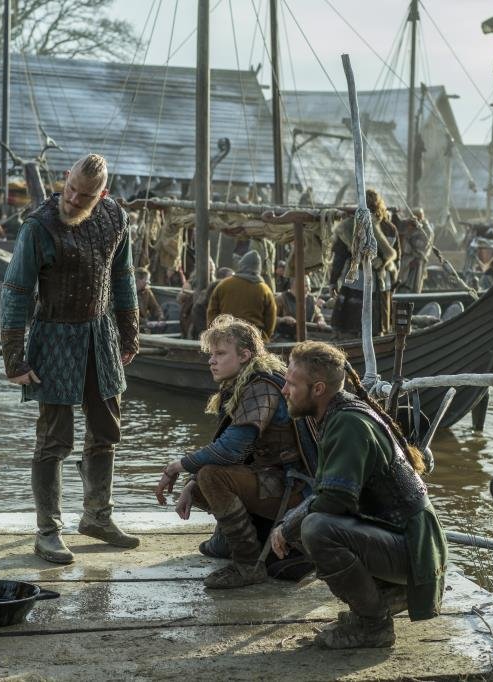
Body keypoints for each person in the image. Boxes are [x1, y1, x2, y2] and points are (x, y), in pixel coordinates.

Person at [1, 153, 140, 564]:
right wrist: (14, 359)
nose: (73, 199)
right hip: (54, 338)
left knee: (106, 429)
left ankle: (97, 516)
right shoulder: (38, 227)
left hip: (100, 335)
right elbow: (16, 291)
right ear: (66, 177)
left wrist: (130, 333)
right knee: (54, 439)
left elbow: (123, 277)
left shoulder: (115, 218)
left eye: (85, 196)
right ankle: (48, 531)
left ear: (103, 195)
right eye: (71, 189)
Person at [270, 341, 448, 649]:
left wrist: (288, 526)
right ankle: (382, 598)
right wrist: (289, 523)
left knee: (316, 528)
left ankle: (373, 625)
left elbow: (335, 500)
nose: (284, 390)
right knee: (305, 522)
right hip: (405, 540)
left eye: (291, 384)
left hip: (415, 549)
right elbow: (329, 493)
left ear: (318, 389)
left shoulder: (348, 424)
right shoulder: (339, 413)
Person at [155, 315, 314, 588]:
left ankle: (247, 563)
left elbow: (230, 450)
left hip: (295, 489)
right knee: (201, 481)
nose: (211, 361)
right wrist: (191, 483)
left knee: (210, 476)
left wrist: (175, 467)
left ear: (244, 355)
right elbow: (239, 452)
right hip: (275, 479)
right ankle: (230, 540)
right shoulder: (247, 383)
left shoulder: (261, 387)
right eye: (211, 354)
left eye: (220, 354)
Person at [328, 189, 398, 340]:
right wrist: (393, 283)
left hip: (356, 282)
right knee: (379, 326)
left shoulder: (349, 226)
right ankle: (379, 340)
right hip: (382, 283)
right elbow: (396, 259)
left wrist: (333, 282)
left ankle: (353, 343)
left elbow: (339, 258)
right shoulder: (390, 228)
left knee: (351, 328)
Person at [207, 251, 276, 340]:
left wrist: (215, 335)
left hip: (226, 336)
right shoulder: (264, 289)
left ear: (241, 265)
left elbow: (212, 312)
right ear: (258, 268)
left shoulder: (224, 284)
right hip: (254, 338)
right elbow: (271, 318)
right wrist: (265, 337)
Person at [274, 276, 327, 340]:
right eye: (306, 286)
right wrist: (283, 319)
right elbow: (270, 318)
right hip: (284, 337)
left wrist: (320, 320)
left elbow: (318, 315)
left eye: (309, 286)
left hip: (306, 337)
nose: (309, 289)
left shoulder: (311, 299)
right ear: (295, 286)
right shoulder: (281, 299)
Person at [135, 266, 164, 331]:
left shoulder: (147, 292)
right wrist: (144, 322)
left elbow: (155, 307)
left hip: (143, 326)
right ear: (139, 280)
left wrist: (160, 316)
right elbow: (131, 314)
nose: (149, 282)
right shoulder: (128, 293)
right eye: (147, 279)